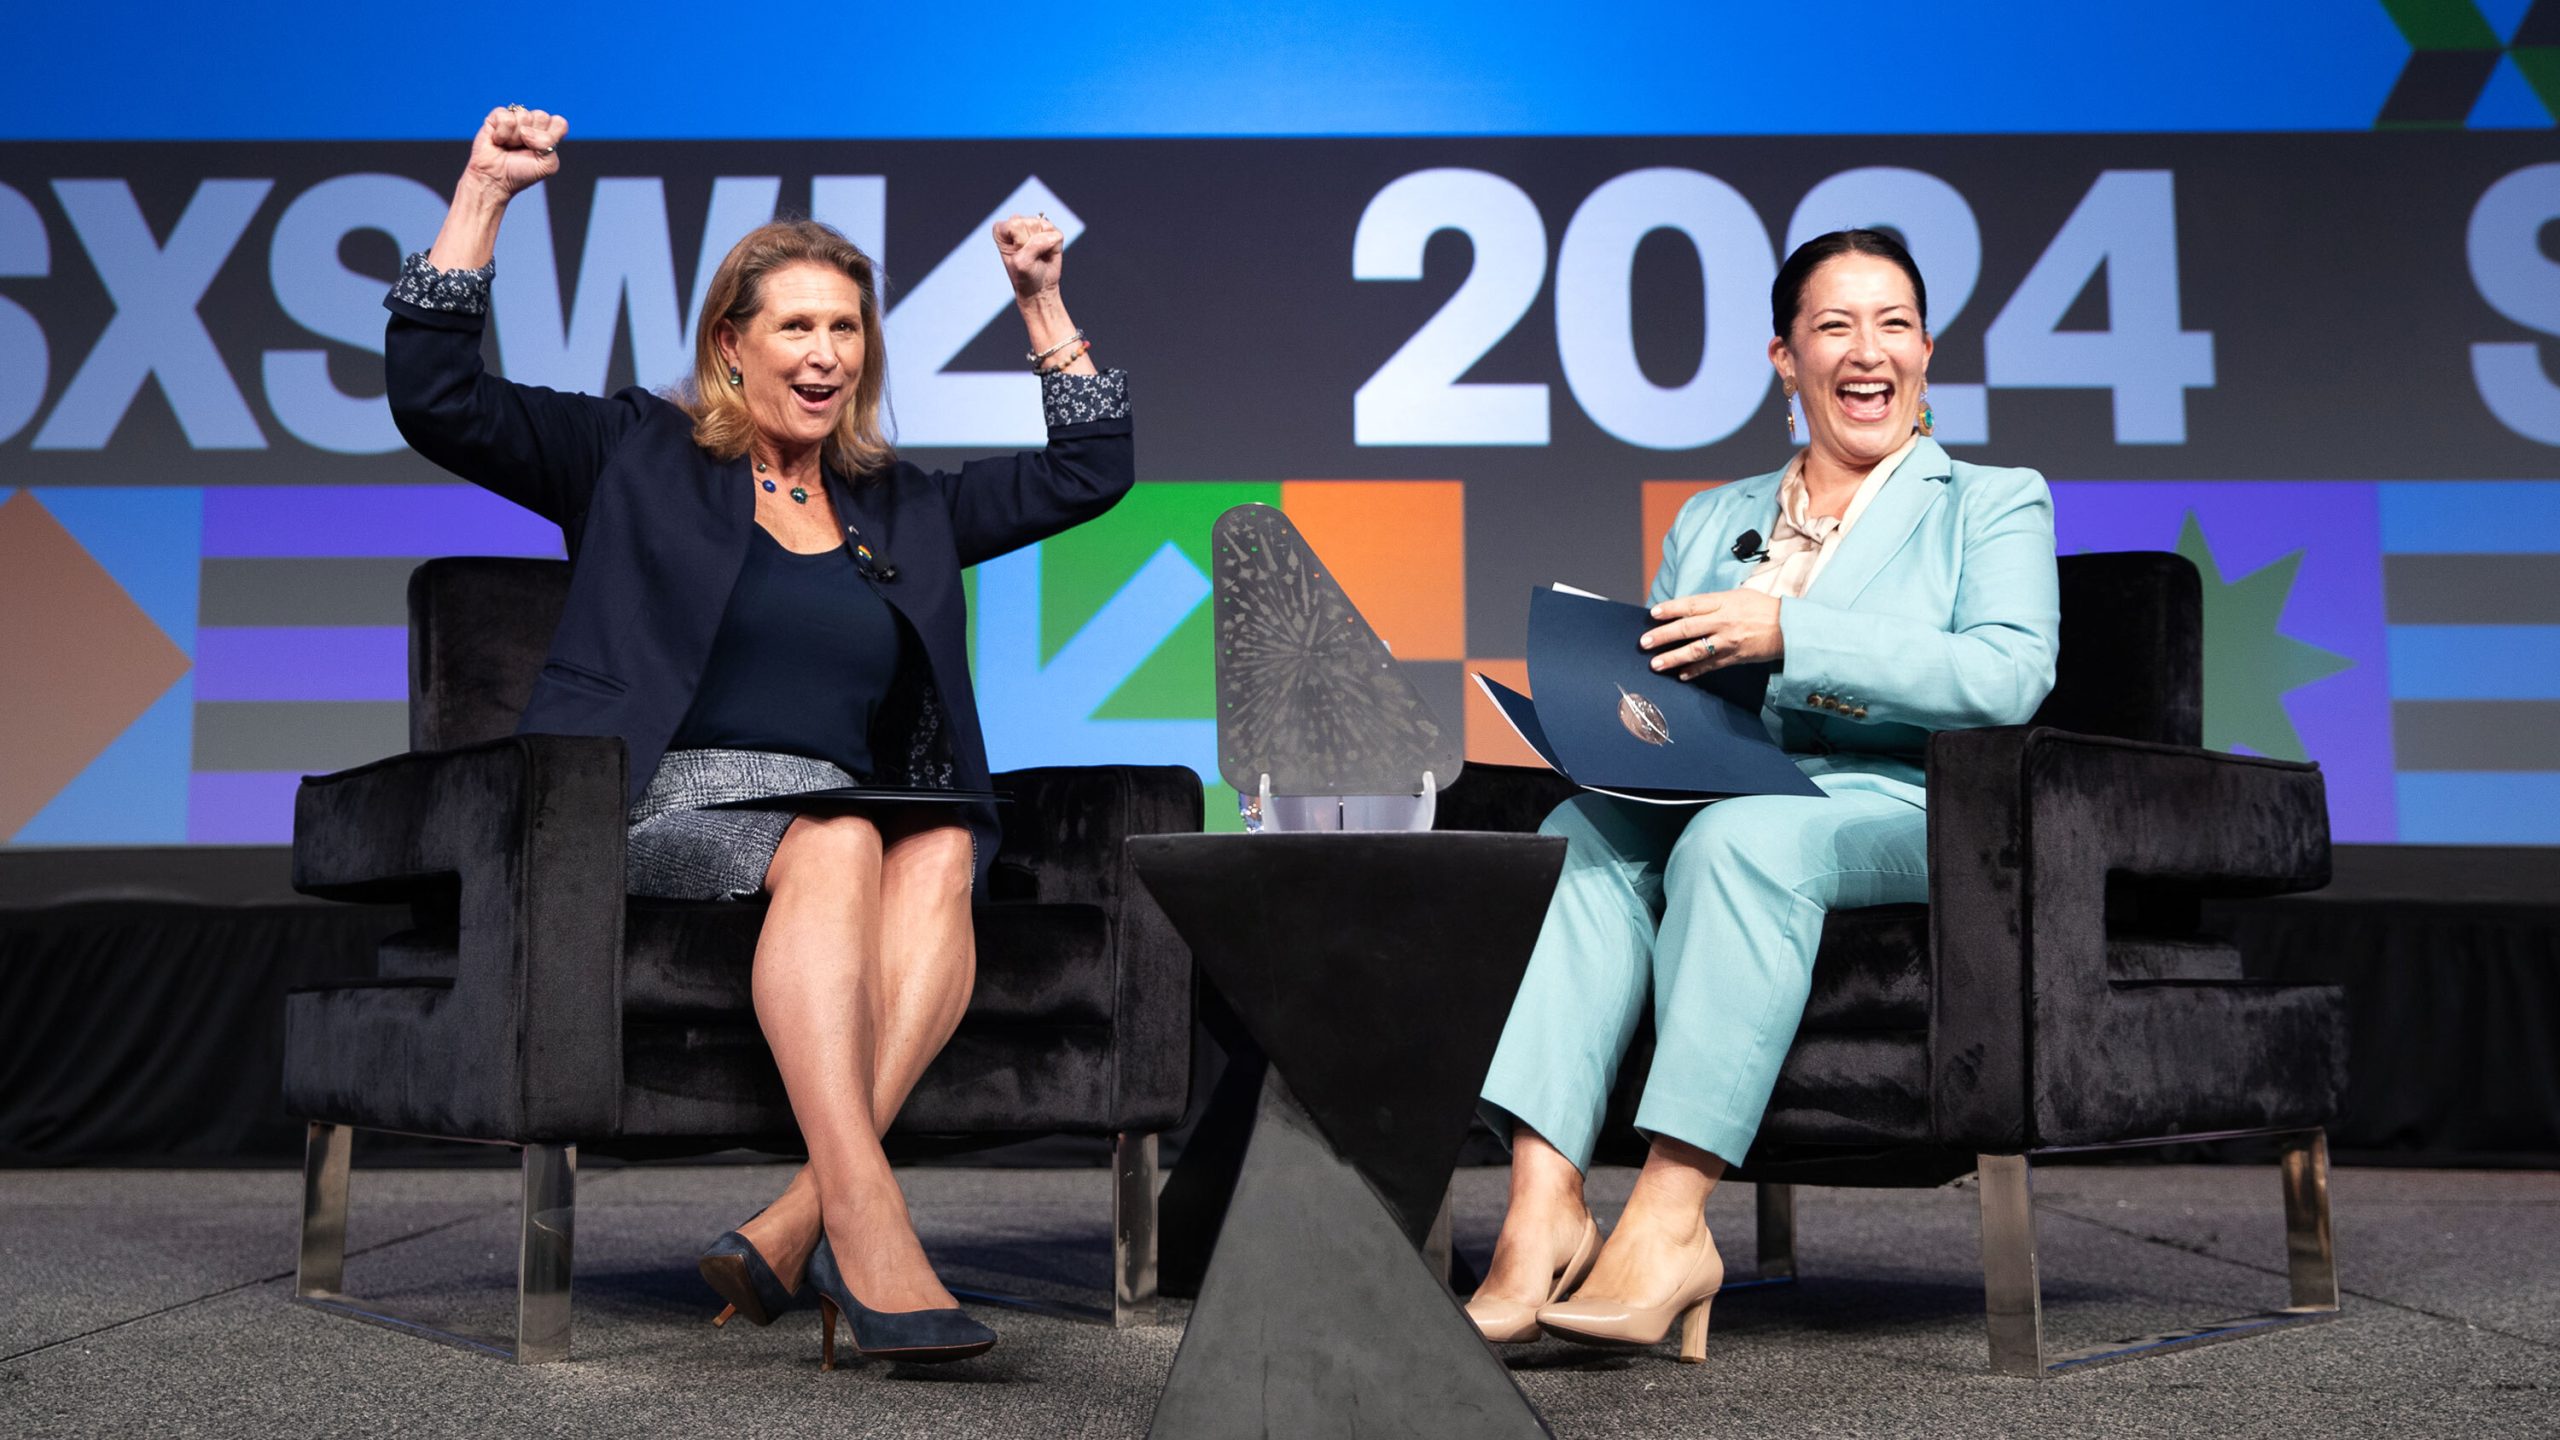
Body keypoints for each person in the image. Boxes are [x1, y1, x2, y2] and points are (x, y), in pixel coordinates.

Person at [384, 105, 1133, 1366]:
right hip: (654, 801)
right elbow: (437, 396)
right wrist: (482, 196)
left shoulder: (902, 502)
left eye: (846, 327)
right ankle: (871, 1221)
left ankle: (801, 1216)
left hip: (840, 806)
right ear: (732, 344)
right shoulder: (633, 453)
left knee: (945, 846)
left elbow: (1089, 471)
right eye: (797, 324)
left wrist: (1043, 305)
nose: (827, 350)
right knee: (839, 841)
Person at [1464, 229, 2060, 1360]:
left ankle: (1672, 1219)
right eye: (1833, 326)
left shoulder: (1989, 501)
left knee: (1742, 843)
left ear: (1927, 350)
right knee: (1573, 831)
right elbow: (1665, 691)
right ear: (1784, 358)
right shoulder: (1710, 517)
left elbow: (2007, 676)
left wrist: (1795, 633)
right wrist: (1611, 725)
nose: (1866, 349)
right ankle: (1542, 1209)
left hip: (1903, 806)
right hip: (1724, 789)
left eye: (1891, 323)